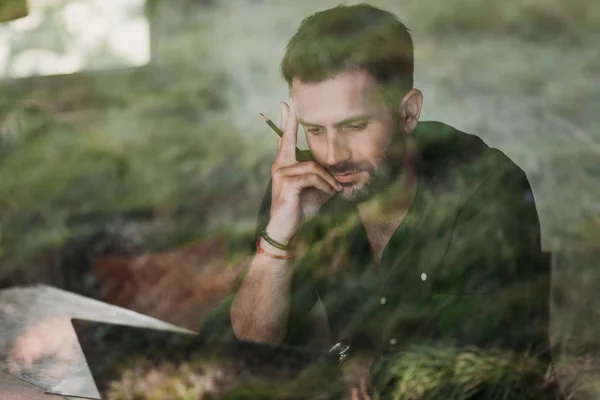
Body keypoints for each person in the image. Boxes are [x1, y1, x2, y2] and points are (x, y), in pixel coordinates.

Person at [201, 3, 556, 398]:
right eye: (314, 130)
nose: (333, 154)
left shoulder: (485, 187)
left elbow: (482, 368)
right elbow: (251, 343)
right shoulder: (303, 185)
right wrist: (279, 237)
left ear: (408, 113)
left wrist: (356, 367)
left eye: (354, 126)